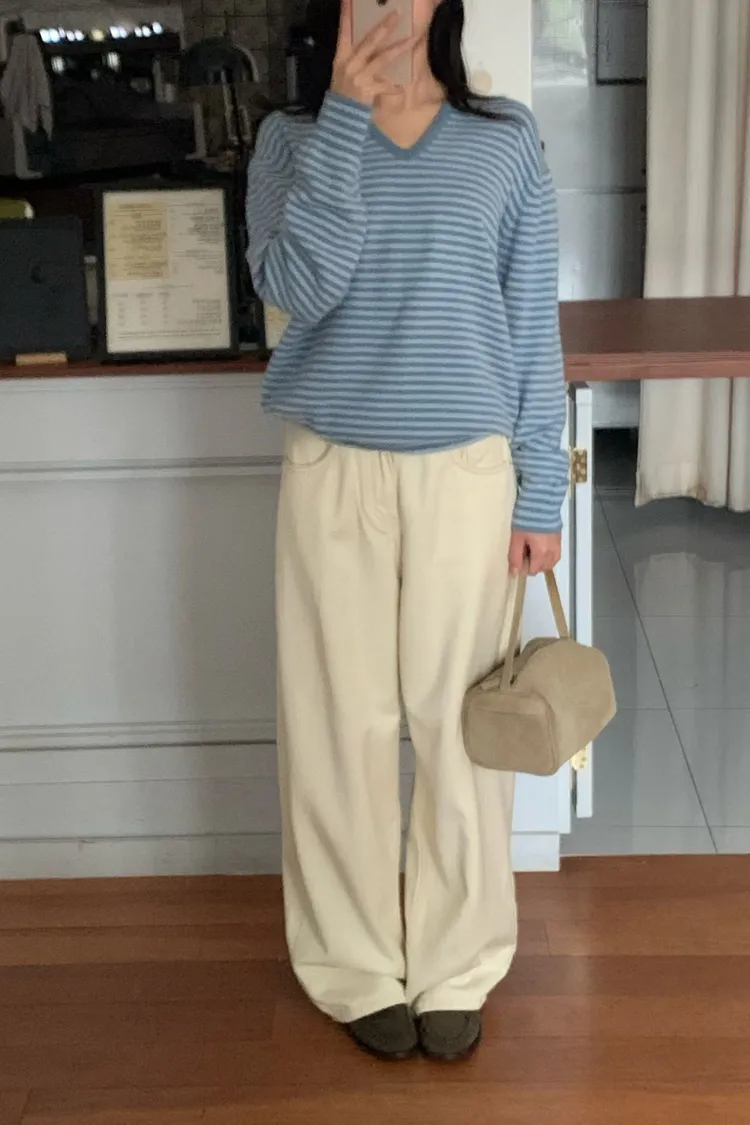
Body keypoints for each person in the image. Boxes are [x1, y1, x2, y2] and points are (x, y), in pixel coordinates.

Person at [246, 0, 567, 1063]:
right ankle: (352, 965)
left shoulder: (504, 140)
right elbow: (297, 287)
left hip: (467, 477)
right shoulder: (289, 140)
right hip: (331, 470)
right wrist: (343, 115)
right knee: (336, 728)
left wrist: (541, 492)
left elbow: (530, 323)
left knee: (460, 730)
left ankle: (456, 963)